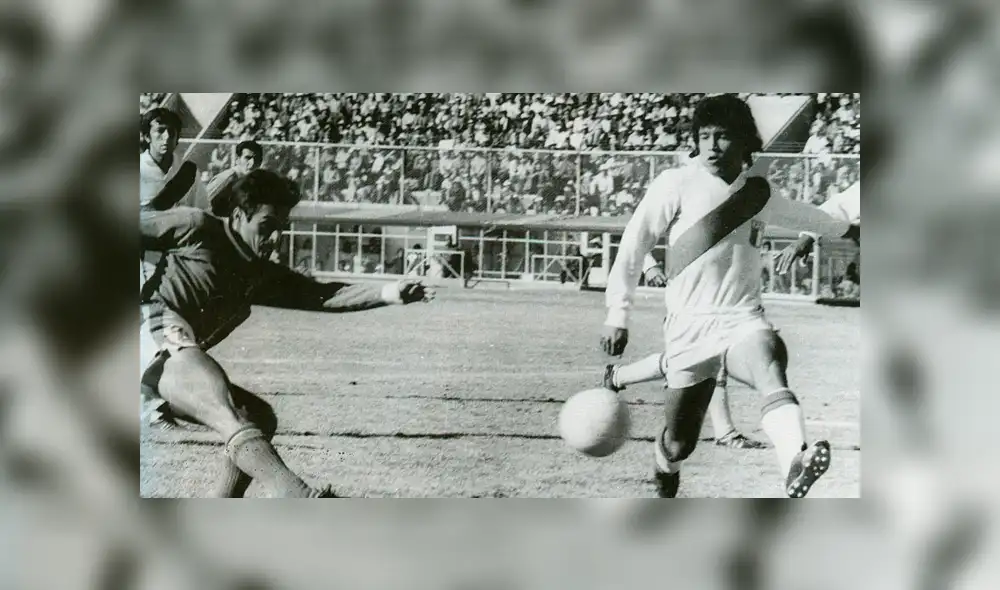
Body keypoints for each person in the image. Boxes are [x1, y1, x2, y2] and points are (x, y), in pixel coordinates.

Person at [599, 94, 859, 498]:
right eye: (704, 137)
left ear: (743, 141)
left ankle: (795, 461)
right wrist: (618, 313)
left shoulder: (756, 192)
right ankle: (664, 468)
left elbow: (807, 216)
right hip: (688, 328)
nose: (711, 147)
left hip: (741, 318)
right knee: (679, 442)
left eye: (722, 137)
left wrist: (849, 231)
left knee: (769, 361)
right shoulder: (676, 184)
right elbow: (635, 244)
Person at [140, 169, 434, 498]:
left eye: (282, 228)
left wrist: (391, 292)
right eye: (267, 227)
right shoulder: (196, 226)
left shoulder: (259, 272)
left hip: (164, 359)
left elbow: (323, 295)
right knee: (223, 406)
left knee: (258, 418)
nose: (276, 238)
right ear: (238, 216)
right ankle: (299, 496)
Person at [602, 254, 766, 449]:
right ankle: (725, 432)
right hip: (690, 296)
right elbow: (638, 233)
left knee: (690, 360)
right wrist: (649, 265)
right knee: (709, 357)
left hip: (720, 297)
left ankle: (617, 376)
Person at [205, 139, 265, 216]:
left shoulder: (252, 180)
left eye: (257, 159)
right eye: (247, 158)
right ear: (237, 159)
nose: (252, 163)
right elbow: (201, 204)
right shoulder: (228, 177)